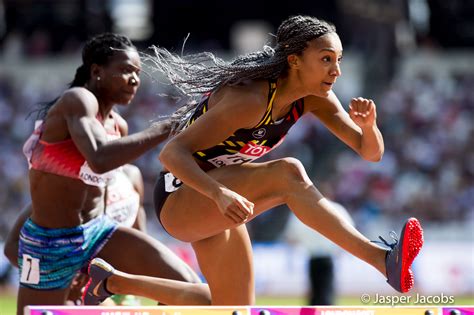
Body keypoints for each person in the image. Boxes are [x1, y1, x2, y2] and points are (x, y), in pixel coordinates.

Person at [86, 16, 424, 305]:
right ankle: (381, 260)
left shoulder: (316, 97)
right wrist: (218, 193)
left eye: (338, 60)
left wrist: (369, 127)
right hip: (183, 198)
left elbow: (370, 153)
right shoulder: (249, 99)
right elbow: (171, 154)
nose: (336, 71)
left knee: (232, 307)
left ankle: (112, 282)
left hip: (221, 199)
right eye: (325, 59)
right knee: (288, 172)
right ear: (294, 60)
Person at [15, 32, 211, 314]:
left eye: (137, 73)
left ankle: (110, 284)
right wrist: (167, 127)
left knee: (189, 286)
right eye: (125, 70)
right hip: (50, 242)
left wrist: (99, 258)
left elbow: (103, 190)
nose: (134, 79)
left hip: (98, 232)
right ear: (96, 71)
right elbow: (99, 159)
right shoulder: (77, 100)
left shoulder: (118, 125)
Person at [3, 164, 146, 306]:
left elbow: (139, 232)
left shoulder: (131, 174)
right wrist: (64, 275)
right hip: (78, 287)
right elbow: (11, 248)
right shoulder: (67, 184)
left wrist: (136, 281)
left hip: (120, 284)